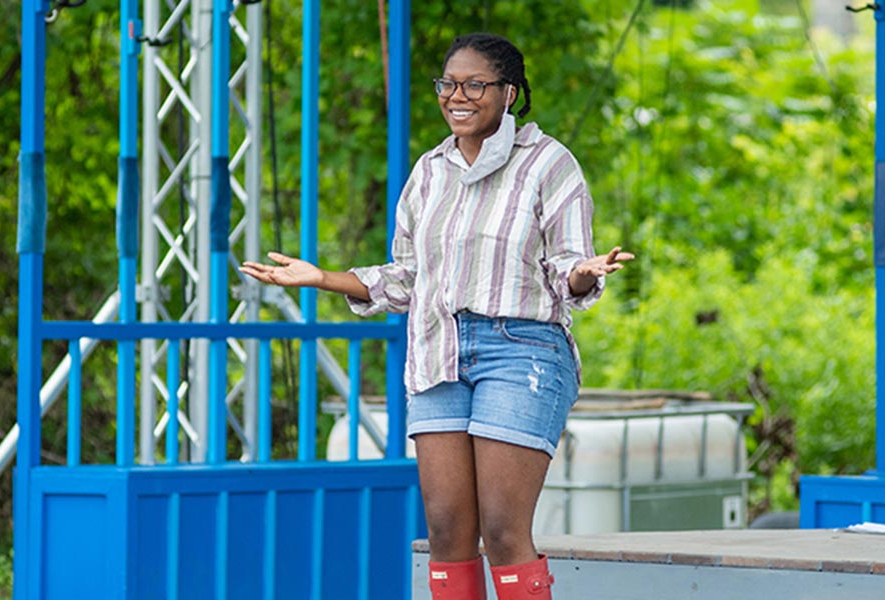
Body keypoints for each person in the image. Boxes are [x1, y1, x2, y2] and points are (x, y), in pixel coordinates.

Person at [240, 32, 631, 600]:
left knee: (502, 531)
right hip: (436, 353)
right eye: (448, 84)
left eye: (476, 84)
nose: (458, 95)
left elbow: (566, 267)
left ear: (510, 93)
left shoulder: (548, 163)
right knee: (448, 531)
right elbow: (405, 277)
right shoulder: (429, 170)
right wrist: (322, 278)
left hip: (519, 349)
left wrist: (585, 272)